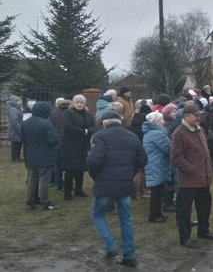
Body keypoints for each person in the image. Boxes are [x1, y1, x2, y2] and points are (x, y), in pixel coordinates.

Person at [87, 110, 148, 267]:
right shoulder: (132, 137)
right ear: (120, 121)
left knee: (98, 214)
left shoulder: (99, 137)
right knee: (125, 218)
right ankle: (129, 254)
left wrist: (96, 177)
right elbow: (142, 159)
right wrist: (131, 173)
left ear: (105, 123)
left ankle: (110, 245)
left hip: (104, 183)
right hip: (125, 184)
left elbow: (94, 161)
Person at [170, 103, 213, 249]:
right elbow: (176, 157)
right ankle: (185, 237)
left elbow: (204, 151)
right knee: (184, 210)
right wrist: (192, 169)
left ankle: (203, 230)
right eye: (196, 116)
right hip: (188, 180)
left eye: (199, 115)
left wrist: (208, 169)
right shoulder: (179, 133)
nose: (199, 118)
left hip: (203, 178)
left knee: (205, 205)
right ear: (186, 116)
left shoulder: (200, 130)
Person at [21, 101, 60, 211]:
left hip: (30, 155)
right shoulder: (46, 123)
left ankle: (29, 202)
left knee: (32, 179)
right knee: (44, 180)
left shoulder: (25, 123)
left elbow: (23, 139)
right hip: (45, 155)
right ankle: (45, 202)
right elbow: (53, 140)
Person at [60, 94, 96, 200]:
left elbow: (93, 126)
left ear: (84, 104)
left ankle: (79, 190)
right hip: (71, 144)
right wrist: (82, 131)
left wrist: (89, 131)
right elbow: (67, 126)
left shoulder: (88, 114)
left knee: (81, 168)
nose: (79, 104)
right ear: (73, 103)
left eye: (81, 103)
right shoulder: (68, 113)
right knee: (70, 169)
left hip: (84, 144)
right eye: (77, 102)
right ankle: (67, 192)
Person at [142, 111, 171, 223]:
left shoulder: (150, 132)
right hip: (157, 164)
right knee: (156, 191)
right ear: (157, 122)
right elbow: (167, 148)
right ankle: (154, 215)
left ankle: (157, 213)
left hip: (154, 163)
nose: (164, 121)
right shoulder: (157, 134)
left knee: (157, 190)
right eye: (162, 119)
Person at [49, 98, 70, 190]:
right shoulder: (70, 112)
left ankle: (59, 184)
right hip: (68, 142)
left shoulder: (53, 113)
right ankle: (68, 183)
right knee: (69, 165)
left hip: (56, 142)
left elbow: (50, 127)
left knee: (57, 165)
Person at [7, 95, 23, 162]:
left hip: (16, 128)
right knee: (15, 143)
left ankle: (17, 157)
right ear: (15, 102)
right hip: (15, 129)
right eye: (19, 101)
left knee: (18, 143)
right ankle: (14, 158)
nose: (20, 102)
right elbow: (14, 121)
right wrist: (19, 129)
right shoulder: (13, 109)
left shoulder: (15, 108)